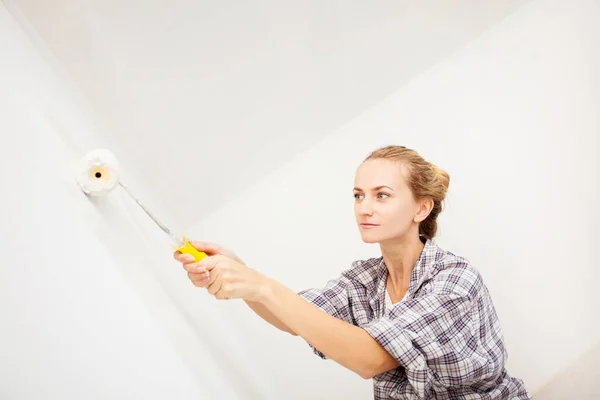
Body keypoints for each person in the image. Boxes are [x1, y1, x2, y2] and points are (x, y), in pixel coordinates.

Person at [173, 145, 531, 399]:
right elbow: (298, 318)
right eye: (358, 195)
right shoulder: (366, 279)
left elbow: (370, 358)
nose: (364, 208)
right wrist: (242, 275)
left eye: (382, 195)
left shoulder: (454, 281)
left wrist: (261, 286)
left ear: (421, 207)